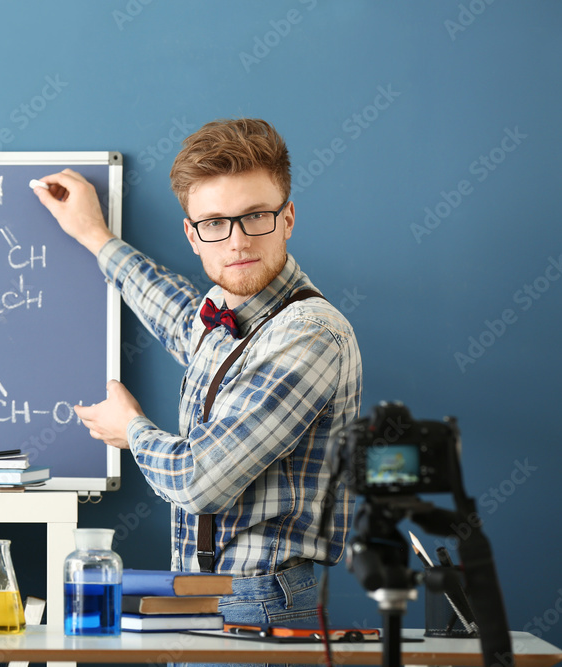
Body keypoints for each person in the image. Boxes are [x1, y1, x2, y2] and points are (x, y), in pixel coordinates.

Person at [33, 118, 362, 625]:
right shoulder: (228, 314)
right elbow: (175, 313)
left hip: (260, 604)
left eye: (256, 216)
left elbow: (200, 480)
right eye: (214, 223)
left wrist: (131, 432)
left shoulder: (310, 334)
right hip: (200, 598)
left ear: (288, 217)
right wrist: (95, 236)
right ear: (192, 234)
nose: (237, 242)